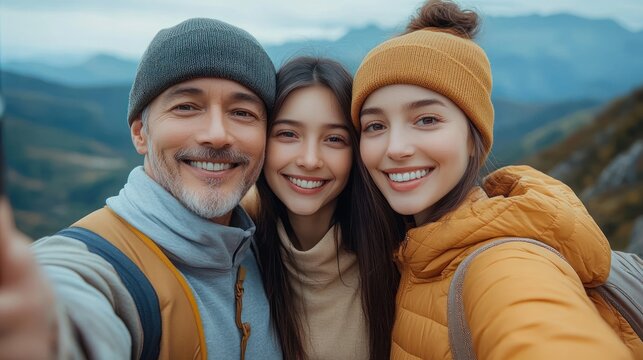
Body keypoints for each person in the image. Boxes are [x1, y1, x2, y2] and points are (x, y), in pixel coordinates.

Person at [351, 0, 641, 359]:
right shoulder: (411, 246)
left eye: (426, 120)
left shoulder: (504, 260)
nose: (396, 148)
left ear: (474, 139)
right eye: (375, 126)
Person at [0, 18, 282, 359]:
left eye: (242, 112)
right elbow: (69, 306)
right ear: (140, 133)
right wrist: (41, 332)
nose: (217, 134)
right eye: (186, 107)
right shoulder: (100, 266)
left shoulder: (265, 248)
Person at [246, 56, 405, 359]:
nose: (309, 159)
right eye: (288, 134)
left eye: (334, 139)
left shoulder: (400, 249)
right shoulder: (236, 246)